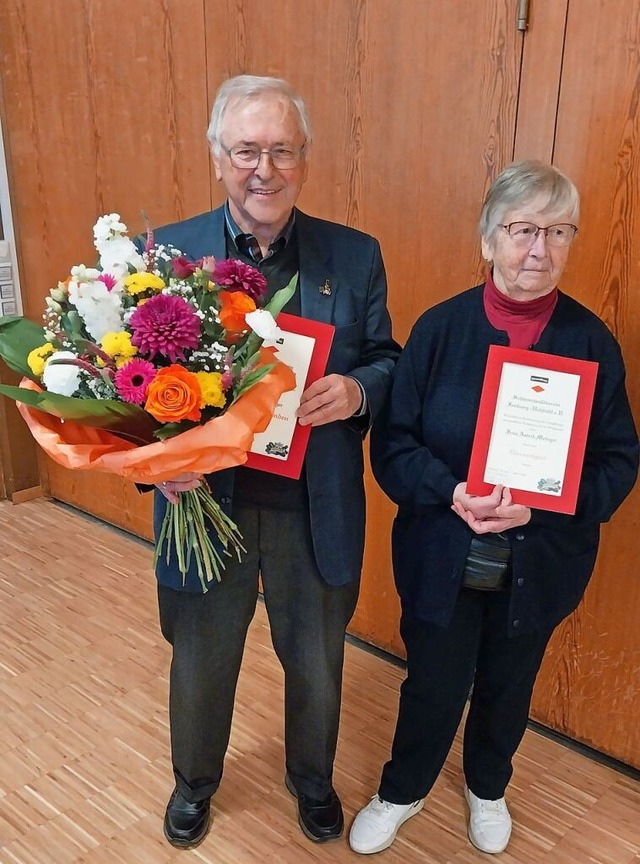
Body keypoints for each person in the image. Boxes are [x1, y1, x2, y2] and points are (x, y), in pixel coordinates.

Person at [349, 160, 638, 856]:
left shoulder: (591, 342)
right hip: (441, 555)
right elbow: (393, 446)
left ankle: (488, 787)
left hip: (539, 563)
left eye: (558, 231)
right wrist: (452, 492)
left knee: (510, 688)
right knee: (432, 685)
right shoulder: (440, 330)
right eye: (523, 229)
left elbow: (619, 461)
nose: (540, 249)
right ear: (489, 240)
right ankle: (403, 788)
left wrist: (543, 508)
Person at [148, 75, 400, 849]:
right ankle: (194, 782)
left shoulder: (354, 257)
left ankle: (313, 780)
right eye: (247, 149)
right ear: (218, 155)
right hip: (205, 503)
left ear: (305, 158)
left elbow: (389, 359)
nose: (264, 168)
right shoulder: (166, 252)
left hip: (313, 503)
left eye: (281, 150)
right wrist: (155, 458)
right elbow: (126, 385)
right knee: (201, 658)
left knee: (318, 663)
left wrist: (357, 390)